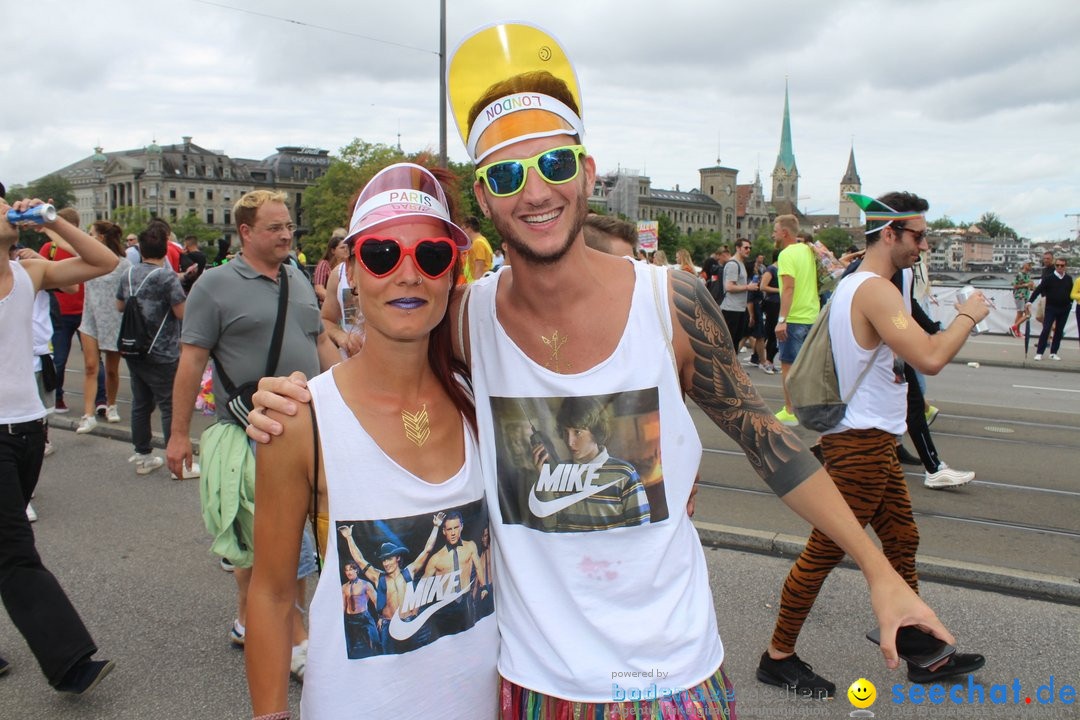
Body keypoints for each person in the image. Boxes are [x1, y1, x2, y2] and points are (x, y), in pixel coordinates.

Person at [249, 22, 953, 718]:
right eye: (505, 175)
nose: (534, 192)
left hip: (676, 674)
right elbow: (387, 363)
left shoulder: (671, 304)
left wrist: (879, 570)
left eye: (554, 165)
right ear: (486, 199)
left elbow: (767, 440)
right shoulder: (466, 321)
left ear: (588, 172)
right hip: (535, 684)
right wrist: (291, 400)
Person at [245, 163, 496, 719]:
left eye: (431, 257)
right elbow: (270, 593)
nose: (409, 275)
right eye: (383, 254)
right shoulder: (299, 420)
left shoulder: (480, 398)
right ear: (350, 272)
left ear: (452, 273)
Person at [759, 191, 987, 695]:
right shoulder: (875, 290)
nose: (924, 245)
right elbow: (929, 357)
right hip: (858, 443)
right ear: (889, 234)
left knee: (902, 540)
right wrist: (969, 315)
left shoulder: (857, 285)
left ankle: (918, 646)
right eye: (918, 235)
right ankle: (777, 656)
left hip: (872, 440)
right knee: (825, 551)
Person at [166, 190, 338, 676]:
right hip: (249, 434)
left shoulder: (299, 279)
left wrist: (350, 407)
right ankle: (295, 640)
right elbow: (191, 363)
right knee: (277, 542)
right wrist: (178, 437)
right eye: (274, 228)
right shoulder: (215, 286)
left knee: (283, 537)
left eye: (289, 227)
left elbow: (321, 342)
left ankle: (252, 620)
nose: (287, 234)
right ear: (245, 233)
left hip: (305, 433)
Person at [0, 193, 117, 694]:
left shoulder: (29, 274)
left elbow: (104, 262)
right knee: (14, 550)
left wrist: (51, 222)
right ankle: (70, 661)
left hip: (30, 425)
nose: (7, 211)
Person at [116, 219, 187, 475]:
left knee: (141, 402)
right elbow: (181, 312)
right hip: (162, 348)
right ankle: (175, 462)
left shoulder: (129, 273)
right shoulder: (166, 277)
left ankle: (142, 454)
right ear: (165, 248)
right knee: (169, 405)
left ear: (141, 249)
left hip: (134, 347)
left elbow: (120, 306)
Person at [36, 207, 106, 415]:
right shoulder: (76, 246)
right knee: (91, 359)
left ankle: (57, 399)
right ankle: (100, 399)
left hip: (64, 311)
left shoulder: (53, 247)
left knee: (59, 358)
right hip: (79, 311)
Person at [75, 220, 129, 433]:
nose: (87, 237)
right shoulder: (87, 260)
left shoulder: (123, 264)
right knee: (90, 366)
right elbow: (69, 244)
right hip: (90, 317)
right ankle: (88, 414)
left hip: (114, 319)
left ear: (102, 237)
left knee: (112, 371)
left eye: (91, 233)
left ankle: (111, 405)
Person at [773, 214, 819, 426]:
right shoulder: (807, 250)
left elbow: (789, 288)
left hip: (794, 317)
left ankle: (790, 410)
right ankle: (807, 406)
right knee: (807, 366)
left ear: (785, 232)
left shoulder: (786, 255)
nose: (773, 233)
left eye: (775, 229)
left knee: (788, 367)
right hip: (812, 315)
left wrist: (782, 319)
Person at [1027, 258, 1073, 360]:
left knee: (1059, 330)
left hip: (1064, 308)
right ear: (1055, 266)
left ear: (1065, 266)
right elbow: (1039, 289)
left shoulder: (1068, 279)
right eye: (1057, 265)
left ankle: (1053, 352)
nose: (1059, 267)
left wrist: (1070, 303)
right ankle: (1039, 352)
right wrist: (1030, 301)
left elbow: (1071, 292)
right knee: (1046, 328)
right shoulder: (1049, 278)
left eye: (1062, 265)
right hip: (1051, 307)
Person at [721, 238, 757, 351]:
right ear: (738, 248)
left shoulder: (741, 263)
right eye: (746, 247)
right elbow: (729, 287)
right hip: (731, 309)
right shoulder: (733, 264)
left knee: (735, 343)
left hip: (739, 308)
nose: (748, 250)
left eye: (750, 248)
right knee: (729, 343)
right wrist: (748, 287)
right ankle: (727, 367)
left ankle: (732, 366)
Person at [312, 229, 346, 305]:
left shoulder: (349, 265)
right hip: (328, 307)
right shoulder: (324, 264)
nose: (346, 250)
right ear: (333, 250)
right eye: (342, 248)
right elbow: (319, 289)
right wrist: (337, 300)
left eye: (347, 247)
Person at [462, 215, 494, 282]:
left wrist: (476, 288)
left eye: (463, 229)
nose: (463, 232)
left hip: (478, 284)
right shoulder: (483, 240)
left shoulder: (478, 243)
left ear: (469, 228)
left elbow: (479, 269)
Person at [1010, 261, 1035, 337]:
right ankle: (1016, 330)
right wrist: (1027, 284)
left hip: (1026, 296)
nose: (1030, 266)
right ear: (1024, 265)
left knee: (1025, 314)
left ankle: (1016, 330)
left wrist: (1032, 286)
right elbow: (1015, 286)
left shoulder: (1028, 275)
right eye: (1029, 264)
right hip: (1020, 296)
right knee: (1021, 314)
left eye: (1031, 265)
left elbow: (1031, 287)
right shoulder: (1019, 274)